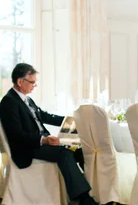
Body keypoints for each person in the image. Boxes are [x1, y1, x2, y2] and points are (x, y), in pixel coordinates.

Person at [0, 63, 98, 205]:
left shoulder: (26, 99)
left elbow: (45, 116)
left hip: (39, 143)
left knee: (81, 151)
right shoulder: (9, 102)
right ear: (20, 81)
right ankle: (83, 199)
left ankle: (90, 191)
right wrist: (43, 140)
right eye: (32, 82)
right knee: (64, 154)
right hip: (27, 148)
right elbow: (17, 135)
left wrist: (74, 120)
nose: (35, 85)